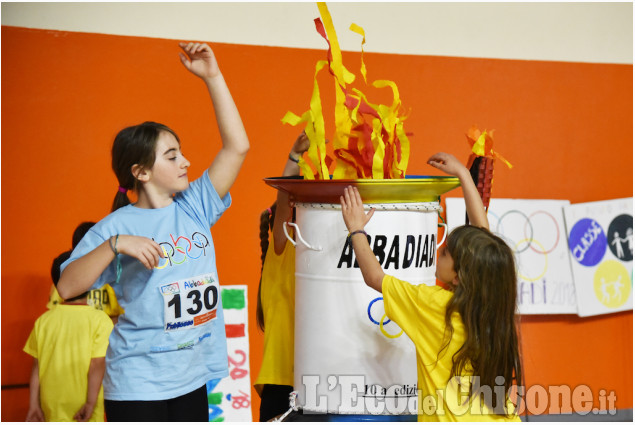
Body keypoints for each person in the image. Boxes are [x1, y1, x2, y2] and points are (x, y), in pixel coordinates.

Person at [57, 41, 249, 421]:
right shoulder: (115, 227)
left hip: (192, 379)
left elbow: (238, 147)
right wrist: (115, 244)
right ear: (140, 173)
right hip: (137, 383)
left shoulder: (195, 206)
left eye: (182, 152)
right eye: (172, 155)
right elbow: (67, 287)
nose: (185, 162)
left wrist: (213, 77)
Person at [339, 152, 522, 421]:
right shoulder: (495, 302)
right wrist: (463, 175)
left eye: (446, 252)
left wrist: (356, 229)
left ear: (460, 276)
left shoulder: (436, 305)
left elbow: (374, 278)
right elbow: (484, 243)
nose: (440, 252)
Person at [254, 132, 309, 421]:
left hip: (315, 378)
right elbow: (285, 196)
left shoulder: (314, 259)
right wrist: (294, 156)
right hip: (282, 382)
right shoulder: (283, 249)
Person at [25, 251, 113, 422]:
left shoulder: (43, 321)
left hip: (50, 403)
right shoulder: (101, 320)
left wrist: (33, 405)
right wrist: (90, 402)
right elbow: (97, 364)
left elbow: (36, 367)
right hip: (86, 404)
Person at [48, 222, 125, 323]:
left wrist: (98, 322)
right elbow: (55, 316)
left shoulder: (112, 277)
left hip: (103, 333)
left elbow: (122, 316)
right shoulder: (65, 279)